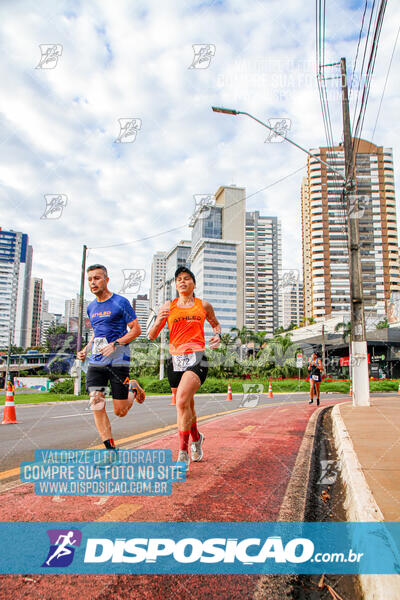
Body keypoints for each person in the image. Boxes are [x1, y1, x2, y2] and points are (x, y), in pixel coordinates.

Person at [148, 266, 221, 469]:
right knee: (187, 405)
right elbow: (152, 335)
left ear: (193, 284)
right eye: (179, 279)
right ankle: (197, 438)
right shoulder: (168, 306)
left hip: (197, 358)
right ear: (176, 284)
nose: (182, 281)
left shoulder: (203, 305)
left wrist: (218, 335)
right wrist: (159, 319)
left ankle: (182, 452)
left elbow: (215, 324)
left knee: (181, 401)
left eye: (187, 278)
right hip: (175, 360)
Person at [77, 264, 145, 459]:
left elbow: (135, 330)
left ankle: (133, 388)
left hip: (118, 360)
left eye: (97, 278)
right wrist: (85, 349)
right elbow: (96, 335)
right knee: (95, 401)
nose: (93, 282)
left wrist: (115, 343)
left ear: (106, 280)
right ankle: (110, 451)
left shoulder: (120, 302)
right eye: (90, 279)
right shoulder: (91, 307)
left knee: (120, 411)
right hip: (97, 362)